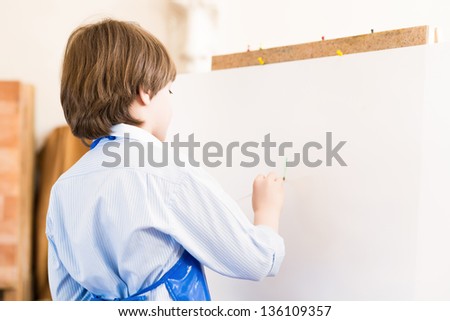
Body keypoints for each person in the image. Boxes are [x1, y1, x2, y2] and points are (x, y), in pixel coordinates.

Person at [46, 18, 285, 301]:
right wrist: (266, 211)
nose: (171, 100)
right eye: (168, 90)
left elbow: (66, 299)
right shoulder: (168, 173)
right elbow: (256, 259)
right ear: (145, 92)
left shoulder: (64, 188)